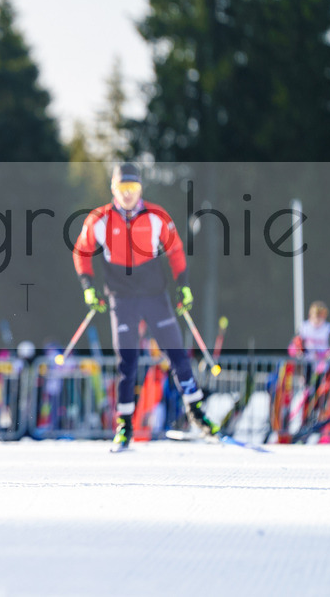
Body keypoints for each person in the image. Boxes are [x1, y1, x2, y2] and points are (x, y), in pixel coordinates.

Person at [73, 162, 217, 452]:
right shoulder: (99, 219)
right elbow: (81, 252)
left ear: (140, 189)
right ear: (113, 188)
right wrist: (88, 287)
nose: (128, 194)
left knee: (177, 355)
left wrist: (183, 285)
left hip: (154, 296)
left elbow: (175, 250)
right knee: (127, 362)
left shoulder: (156, 215)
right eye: (123, 187)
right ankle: (124, 425)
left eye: (133, 187)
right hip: (122, 298)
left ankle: (197, 413)